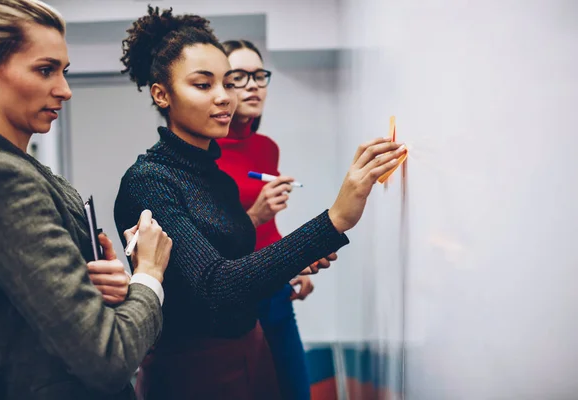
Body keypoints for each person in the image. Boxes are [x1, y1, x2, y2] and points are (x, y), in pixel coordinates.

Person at [114, 6, 406, 399]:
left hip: (253, 350)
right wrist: (333, 220)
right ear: (162, 94)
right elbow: (216, 286)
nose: (225, 97)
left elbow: (238, 258)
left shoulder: (215, 177)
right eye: (204, 85)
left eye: (226, 83)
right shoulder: (149, 182)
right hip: (193, 373)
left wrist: (299, 255)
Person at [0, 1, 173, 399]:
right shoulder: (0, 178)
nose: (65, 90)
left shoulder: (24, 169)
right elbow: (107, 358)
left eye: (63, 72)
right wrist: (149, 275)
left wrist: (102, 288)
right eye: (45, 70)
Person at [215, 39, 319, 400]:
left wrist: (295, 265)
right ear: (220, 85)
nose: (253, 85)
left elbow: (269, 227)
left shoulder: (266, 147)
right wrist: (254, 214)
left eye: (259, 75)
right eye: (239, 76)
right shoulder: (205, 154)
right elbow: (208, 242)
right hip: (232, 299)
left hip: (274, 289)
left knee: (296, 390)